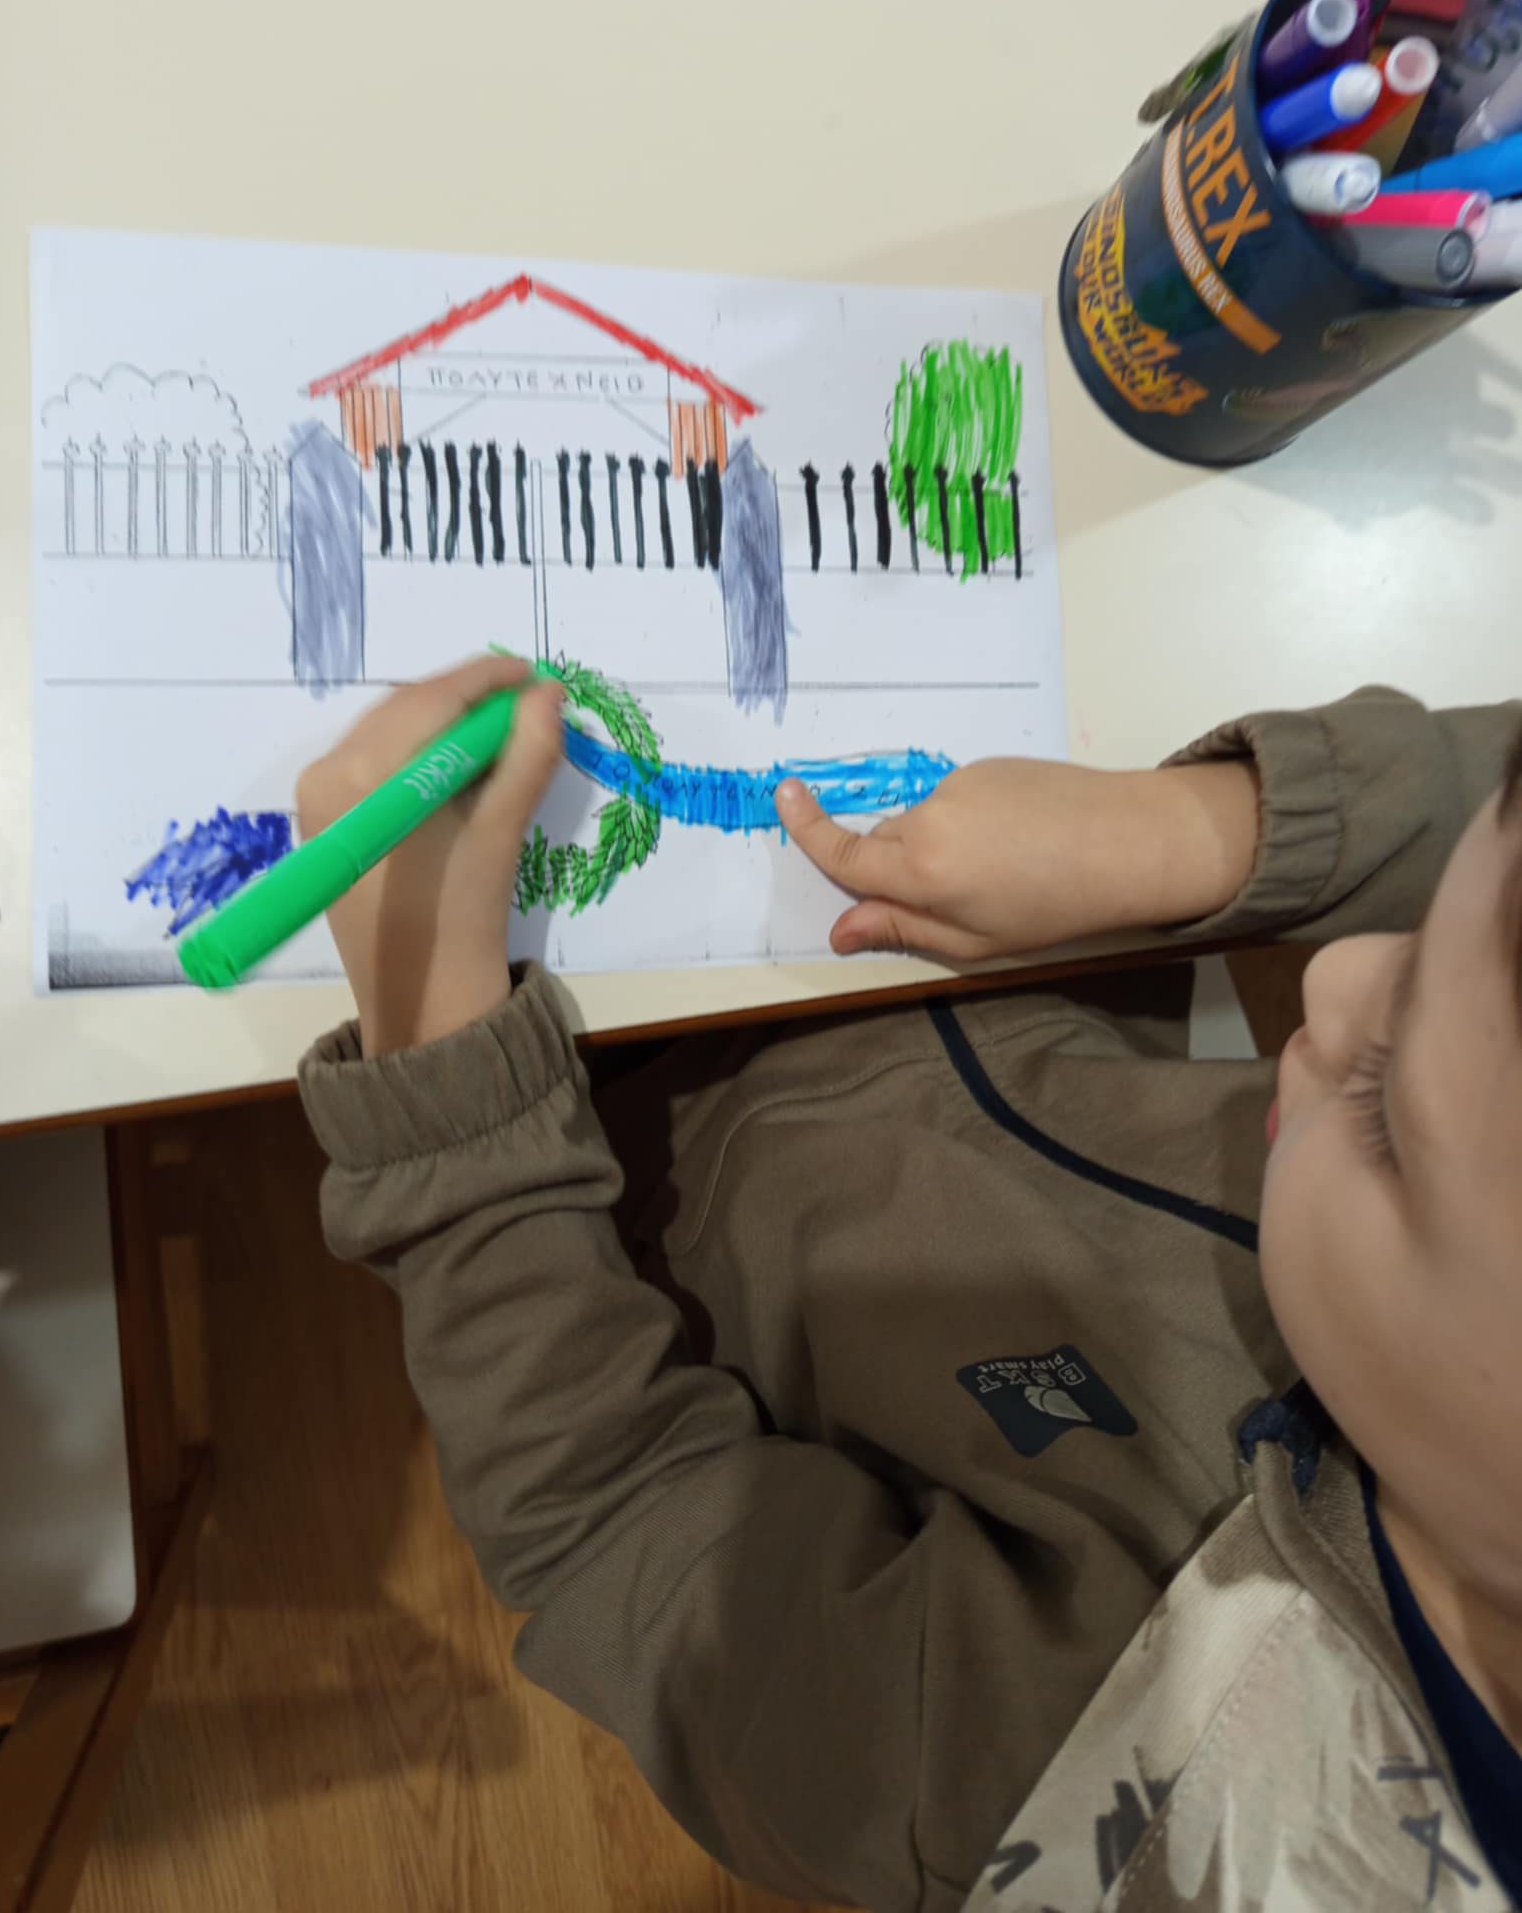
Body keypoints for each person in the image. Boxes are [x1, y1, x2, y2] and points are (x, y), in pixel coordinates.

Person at [294, 656, 1522, 1913]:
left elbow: (614, 1521)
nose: (1329, 973)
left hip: (622, 1182)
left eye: (1389, 1108)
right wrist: (1188, 834)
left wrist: (435, 1041)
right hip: (996, 967)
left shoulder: (1082, 1772)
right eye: (1421, 943)